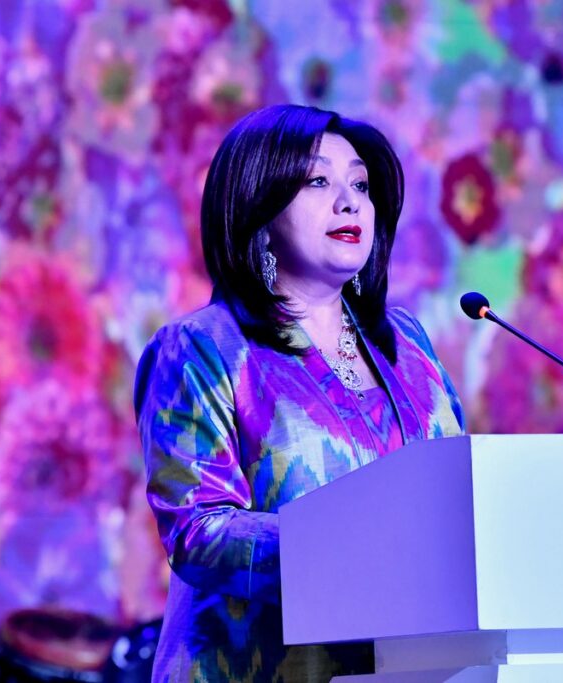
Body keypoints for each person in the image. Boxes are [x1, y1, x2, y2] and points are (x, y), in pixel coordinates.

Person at [133, 104, 465, 682]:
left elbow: (456, 489)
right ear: (258, 207)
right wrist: (353, 549)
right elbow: (198, 532)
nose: (349, 202)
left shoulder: (407, 342)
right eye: (318, 182)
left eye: (360, 185)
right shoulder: (203, 347)